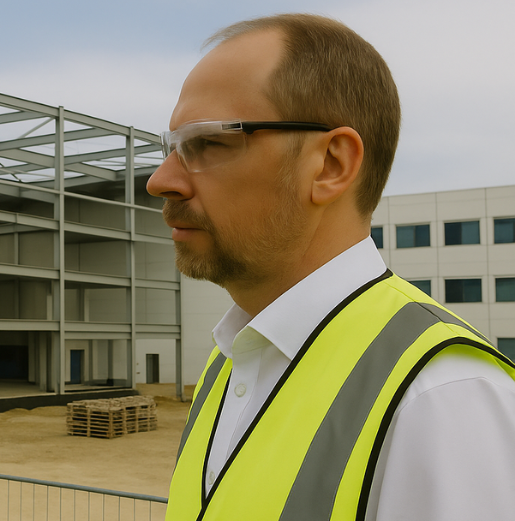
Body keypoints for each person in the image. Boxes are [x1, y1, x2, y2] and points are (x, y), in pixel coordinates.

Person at [147, 13, 515, 521]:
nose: (160, 180)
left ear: (332, 165)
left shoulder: (443, 397)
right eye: (171, 148)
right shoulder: (228, 363)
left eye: (207, 142)